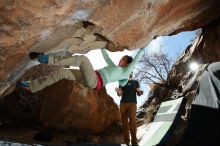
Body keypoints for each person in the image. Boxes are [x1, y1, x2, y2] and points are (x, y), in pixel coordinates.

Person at [17, 48, 144, 92]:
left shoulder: (125, 73)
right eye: (121, 59)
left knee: (83, 59)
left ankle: (47, 59)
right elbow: (105, 56)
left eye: (123, 61)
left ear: (127, 64)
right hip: (88, 77)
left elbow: (136, 60)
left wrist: (143, 48)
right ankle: (32, 86)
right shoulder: (113, 67)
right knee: (62, 72)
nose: (120, 61)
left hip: (95, 82)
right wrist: (102, 44)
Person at [115, 74, 143, 146]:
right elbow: (120, 94)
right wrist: (118, 92)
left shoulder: (136, 82)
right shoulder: (121, 82)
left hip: (132, 104)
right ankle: (126, 141)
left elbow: (139, 93)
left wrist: (140, 92)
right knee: (124, 123)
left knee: (132, 122)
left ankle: (134, 142)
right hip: (123, 104)